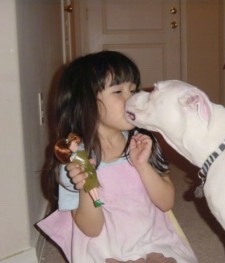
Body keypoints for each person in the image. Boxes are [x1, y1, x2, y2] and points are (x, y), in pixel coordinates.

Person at [37, 50, 198, 263]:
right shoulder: (74, 161)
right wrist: (88, 186)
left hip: (151, 237)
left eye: (133, 90)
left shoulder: (140, 143)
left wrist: (142, 166)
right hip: (104, 248)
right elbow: (91, 229)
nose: (132, 98)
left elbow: (166, 202)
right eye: (118, 91)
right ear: (85, 102)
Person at [55, 132, 104, 207]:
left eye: (76, 144)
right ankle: (96, 200)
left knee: (94, 187)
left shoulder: (82, 150)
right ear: (69, 148)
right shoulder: (72, 159)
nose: (76, 146)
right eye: (73, 145)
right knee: (91, 188)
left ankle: (97, 200)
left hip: (89, 170)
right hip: (86, 173)